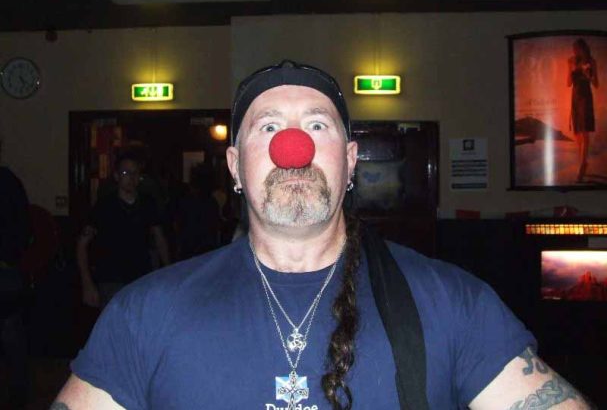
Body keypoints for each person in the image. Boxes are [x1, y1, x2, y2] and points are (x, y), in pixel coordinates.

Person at [54, 61, 593, 409]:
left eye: (317, 125)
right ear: (235, 166)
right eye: (268, 127)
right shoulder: (144, 313)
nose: (295, 147)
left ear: (351, 160)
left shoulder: (454, 303)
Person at [76, 152, 170, 308]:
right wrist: (87, 283)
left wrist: (168, 270)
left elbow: (160, 239)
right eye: (126, 173)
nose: (131, 178)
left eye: (135, 173)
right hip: (111, 280)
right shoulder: (105, 206)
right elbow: (82, 244)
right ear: (117, 176)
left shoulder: (147, 204)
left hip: (141, 278)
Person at [0, 143, 31, 408]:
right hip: (8, 268)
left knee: (10, 331)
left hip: (5, 270)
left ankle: (19, 394)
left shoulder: (8, 183)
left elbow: (22, 227)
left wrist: (8, 257)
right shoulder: (10, 182)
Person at [567, 38, 599, 182]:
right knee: (577, 132)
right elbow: (568, 83)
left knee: (584, 131)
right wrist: (571, 69)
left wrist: (588, 75)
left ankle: (582, 166)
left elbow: (596, 84)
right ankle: (584, 162)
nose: (574, 51)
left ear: (583, 48)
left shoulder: (591, 61)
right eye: (573, 49)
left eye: (577, 49)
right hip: (575, 98)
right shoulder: (571, 61)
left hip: (586, 98)